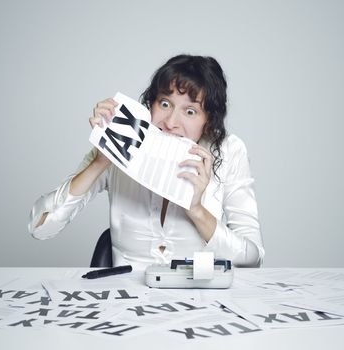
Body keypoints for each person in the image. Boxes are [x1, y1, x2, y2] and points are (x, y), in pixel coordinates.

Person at [28, 54, 265, 270]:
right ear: (150, 104)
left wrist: (196, 211)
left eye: (190, 111)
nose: (171, 122)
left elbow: (252, 257)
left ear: (208, 121)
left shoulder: (229, 151)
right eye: (164, 104)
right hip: (125, 302)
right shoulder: (123, 142)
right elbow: (40, 227)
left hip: (201, 301)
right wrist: (99, 163)